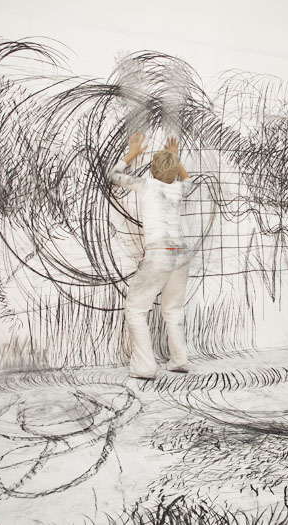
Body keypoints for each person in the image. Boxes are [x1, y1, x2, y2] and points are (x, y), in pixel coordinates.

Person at [107, 132, 193, 379]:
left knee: (135, 309)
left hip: (159, 253)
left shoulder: (145, 185)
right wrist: (176, 159)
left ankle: (144, 367)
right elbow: (188, 181)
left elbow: (113, 176)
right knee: (173, 309)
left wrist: (131, 155)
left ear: (152, 171)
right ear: (174, 172)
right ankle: (179, 360)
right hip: (181, 254)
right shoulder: (178, 189)